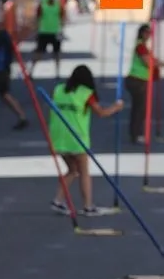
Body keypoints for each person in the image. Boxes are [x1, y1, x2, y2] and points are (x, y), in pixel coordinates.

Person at [48, 65, 124, 216]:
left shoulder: (59, 89)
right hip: (77, 138)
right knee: (83, 172)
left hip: (58, 137)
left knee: (72, 170)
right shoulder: (86, 93)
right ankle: (88, 206)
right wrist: (116, 107)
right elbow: (101, 113)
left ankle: (58, 201)